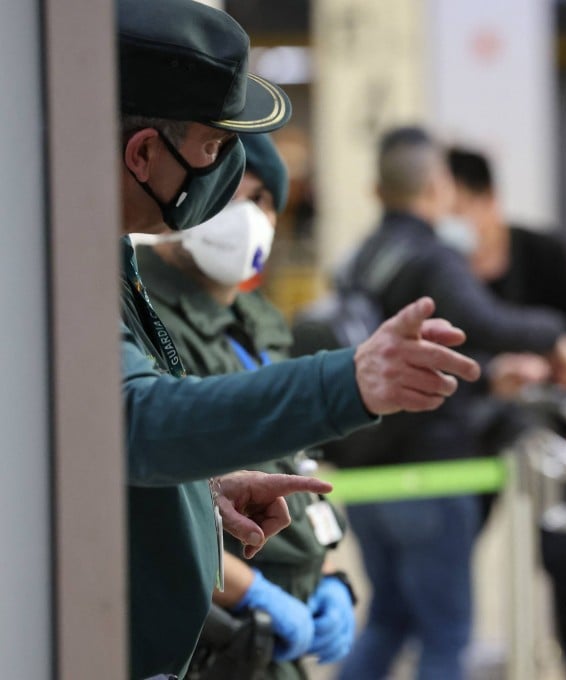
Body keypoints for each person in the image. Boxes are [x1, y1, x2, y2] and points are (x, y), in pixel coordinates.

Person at [115, 2, 480, 677]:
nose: (223, 180)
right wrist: (348, 382)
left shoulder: (111, 262)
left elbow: (107, 449)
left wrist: (203, 492)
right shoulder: (61, 269)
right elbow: (135, 421)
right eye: (212, 150)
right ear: (142, 154)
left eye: (257, 194)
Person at [332, 127, 566, 680]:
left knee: (387, 623)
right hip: (432, 472)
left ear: (378, 189)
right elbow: (489, 323)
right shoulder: (432, 257)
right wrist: (557, 330)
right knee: (446, 639)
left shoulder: (359, 260)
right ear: (439, 187)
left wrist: (489, 376)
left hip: (367, 472)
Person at [134, 133, 356, 679]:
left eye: (260, 199)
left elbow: (293, 462)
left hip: (277, 630)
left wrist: (328, 572)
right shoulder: (141, 310)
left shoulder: (260, 320)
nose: (243, 214)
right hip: (211, 628)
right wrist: (250, 590)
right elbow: (152, 489)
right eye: (228, 192)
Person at [446, 146, 566, 677]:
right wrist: (489, 375)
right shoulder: (443, 270)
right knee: (447, 547)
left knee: (564, 555)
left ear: (488, 200)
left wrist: (555, 369)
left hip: (551, 434)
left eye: (456, 205)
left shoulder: (544, 255)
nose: (448, 221)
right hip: (471, 436)